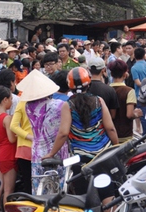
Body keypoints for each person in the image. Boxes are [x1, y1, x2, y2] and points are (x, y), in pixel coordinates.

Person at [45, 68, 118, 198]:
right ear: (88, 84)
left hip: (80, 159)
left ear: (70, 86)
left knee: (85, 198)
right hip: (102, 155)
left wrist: (51, 153)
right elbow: (110, 128)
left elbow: (63, 133)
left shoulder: (68, 105)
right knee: (107, 195)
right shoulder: (99, 101)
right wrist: (116, 148)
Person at [107, 60, 138, 143]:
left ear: (112, 74)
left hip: (109, 135)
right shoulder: (129, 91)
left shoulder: (107, 90)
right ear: (125, 74)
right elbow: (129, 114)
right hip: (125, 135)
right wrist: (137, 114)